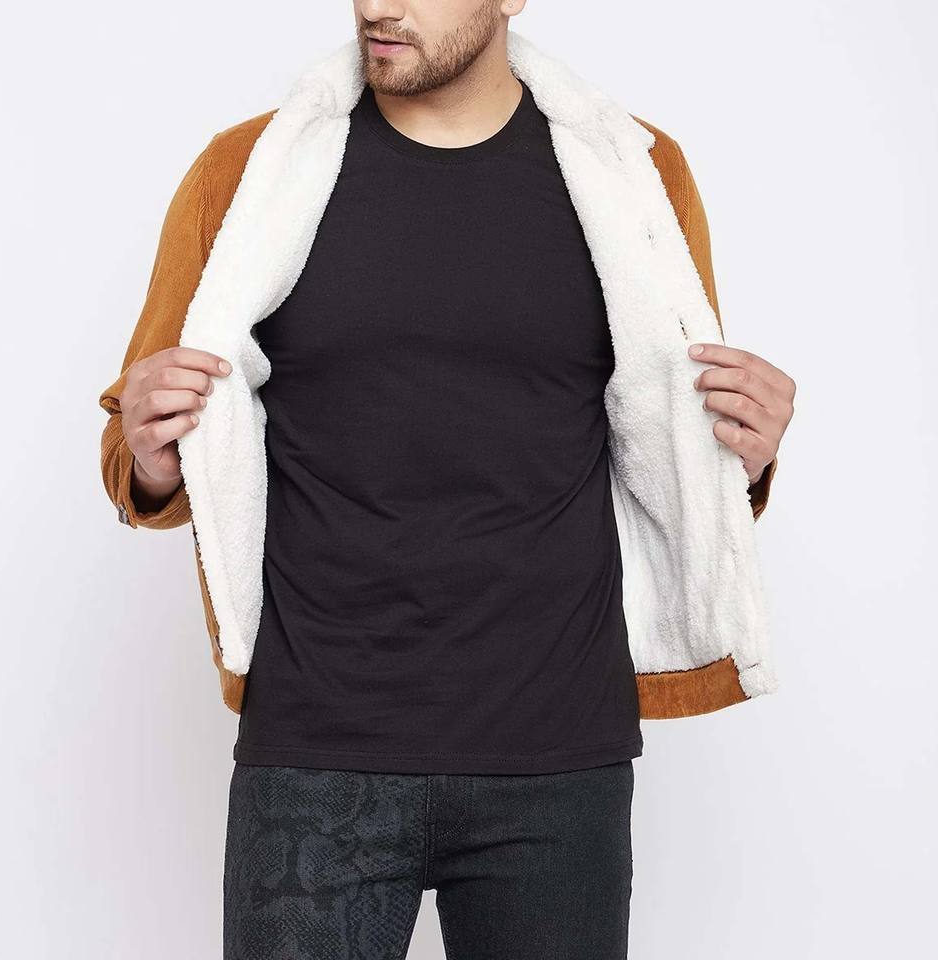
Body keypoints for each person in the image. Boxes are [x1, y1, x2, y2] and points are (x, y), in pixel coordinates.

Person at [98, 2, 795, 957]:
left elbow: (674, 438)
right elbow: (138, 452)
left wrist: (743, 455)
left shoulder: (632, 171)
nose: (377, 5)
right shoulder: (249, 173)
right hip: (316, 751)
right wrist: (148, 456)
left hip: (557, 758)